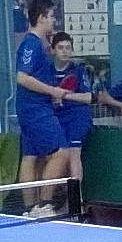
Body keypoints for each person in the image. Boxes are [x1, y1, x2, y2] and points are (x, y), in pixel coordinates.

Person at [14, 0, 70, 215]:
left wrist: (51, 94)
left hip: (33, 108)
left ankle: (29, 209)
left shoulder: (39, 45)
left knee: (30, 156)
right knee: (61, 153)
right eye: (52, 16)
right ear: (41, 18)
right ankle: (44, 205)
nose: (54, 20)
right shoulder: (31, 44)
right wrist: (53, 91)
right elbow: (22, 77)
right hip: (35, 110)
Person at [51, 31, 93, 184]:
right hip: (56, 119)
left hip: (77, 118)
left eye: (68, 48)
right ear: (53, 50)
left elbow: (88, 97)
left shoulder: (79, 71)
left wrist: (64, 95)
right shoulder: (46, 72)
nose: (65, 51)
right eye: (61, 47)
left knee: (74, 154)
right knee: (57, 157)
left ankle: (76, 196)